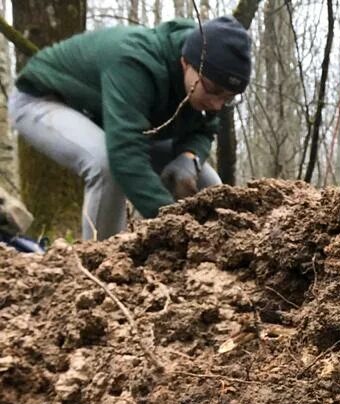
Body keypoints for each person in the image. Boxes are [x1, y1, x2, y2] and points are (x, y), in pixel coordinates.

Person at [9, 16, 251, 241]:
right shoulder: (135, 62)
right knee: (105, 165)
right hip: (43, 99)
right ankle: (100, 264)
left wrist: (190, 156)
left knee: (208, 181)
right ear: (185, 63)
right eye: (211, 90)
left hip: (108, 115)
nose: (217, 104)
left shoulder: (203, 82)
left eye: (227, 97)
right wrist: (171, 223)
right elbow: (125, 155)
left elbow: (205, 127)